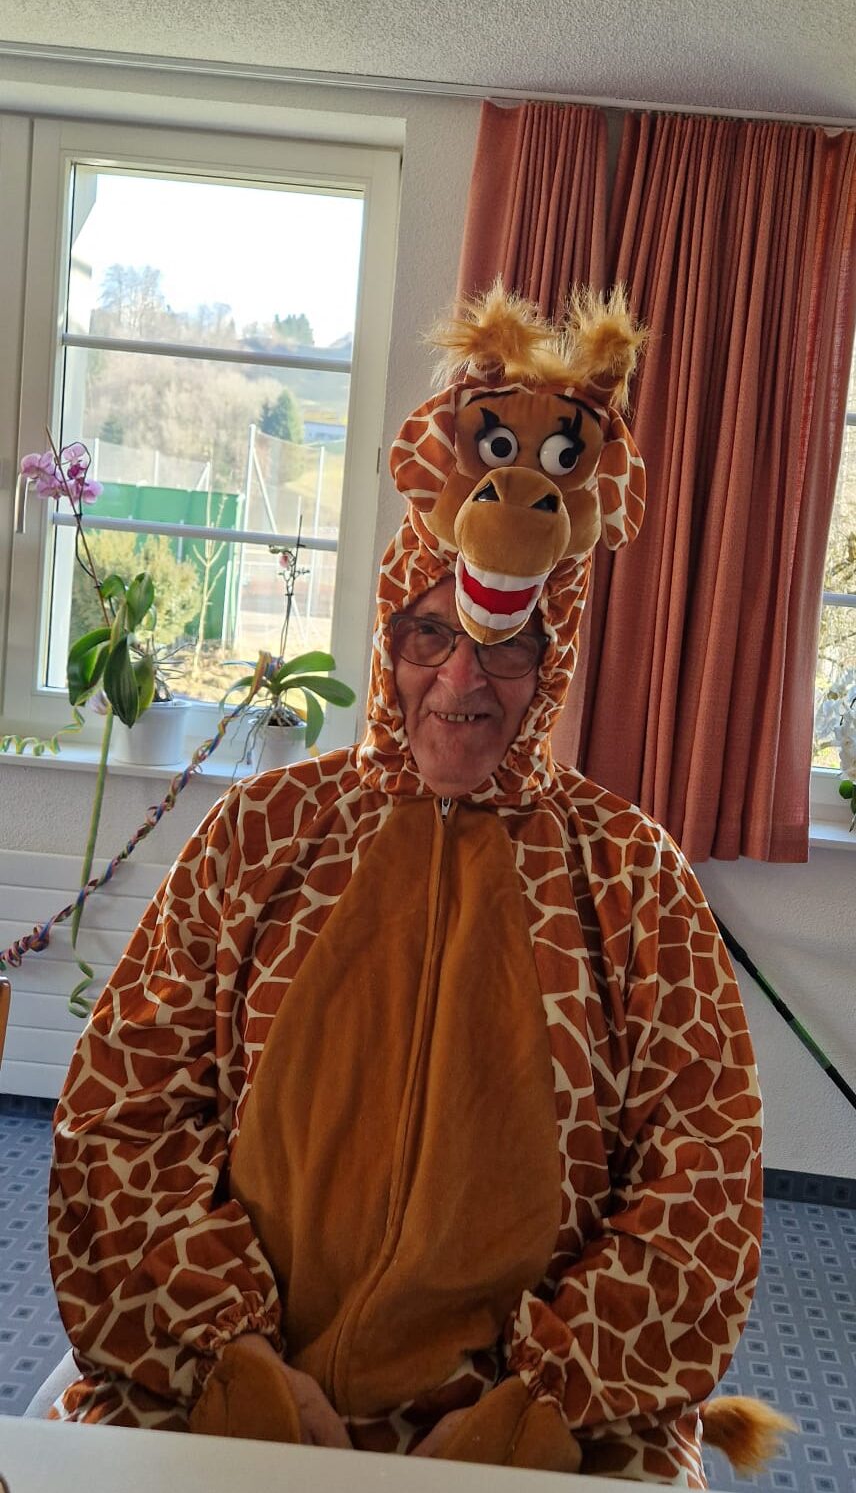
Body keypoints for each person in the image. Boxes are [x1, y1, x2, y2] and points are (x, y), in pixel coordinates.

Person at [48, 288, 763, 1487]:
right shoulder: (262, 831)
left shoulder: (633, 877)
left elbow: (705, 1174)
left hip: (549, 1417)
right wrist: (223, 1347)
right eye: (430, 636)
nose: (461, 682)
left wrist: (552, 1391)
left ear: (554, 660)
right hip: (223, 1376)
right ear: (388, 638)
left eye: (507, 645)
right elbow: (123, 1109)